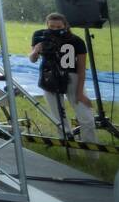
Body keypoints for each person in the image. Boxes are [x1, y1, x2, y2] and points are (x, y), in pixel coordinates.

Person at [30, 12, 96, 143]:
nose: (55, 29)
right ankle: (69, 147)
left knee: (86, 117)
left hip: (72, 78)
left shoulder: (76, 41)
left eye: (58, 27)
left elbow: (81, 69)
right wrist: (36, 50)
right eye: (52, 26)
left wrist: (80, 93)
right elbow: (33, 59)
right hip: (49, 77)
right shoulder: (39, 35)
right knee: (59, 119)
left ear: (65, 26)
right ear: (47, 25)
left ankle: (92, 153)